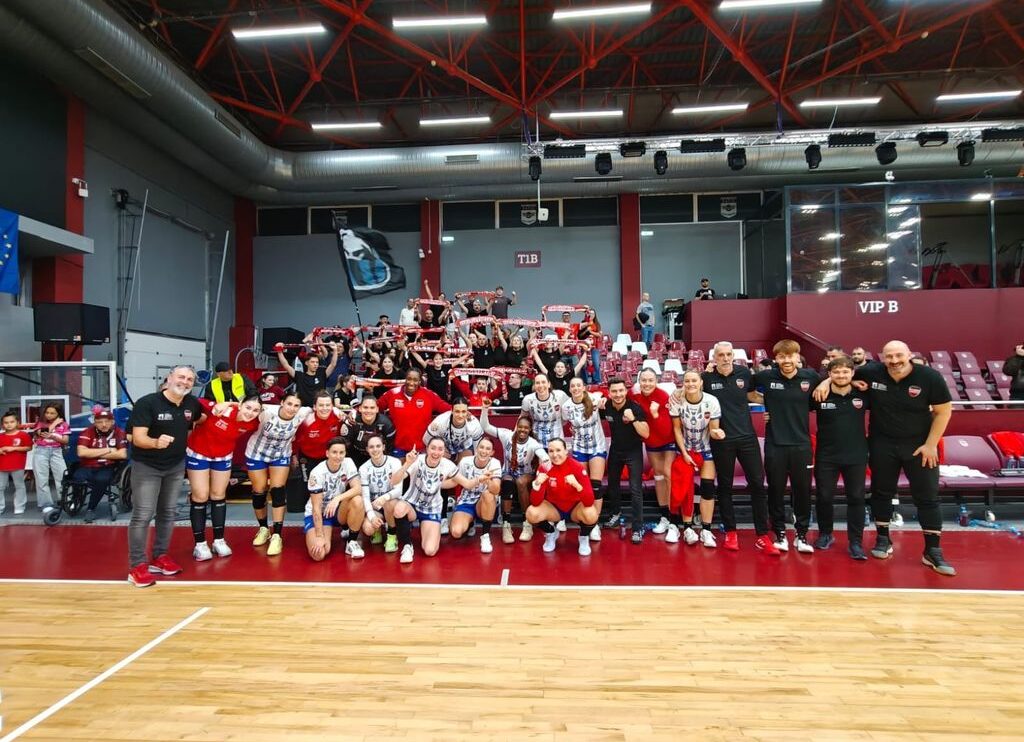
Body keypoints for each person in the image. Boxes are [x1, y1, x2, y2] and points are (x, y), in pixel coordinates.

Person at [816, 340, 956, 575]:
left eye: (899, 355)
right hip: (882, 444)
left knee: (928, 497)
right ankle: (883, 539)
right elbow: (842, 373)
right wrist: (826, 381)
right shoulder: (872, 371)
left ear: (909, 354)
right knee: (881, 493)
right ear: (883, 358)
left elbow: (944, 411)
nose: (894, 360)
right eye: (889, 356)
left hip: (919, 446)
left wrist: (931, 444)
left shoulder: (929, 377)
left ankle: (932, 550)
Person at [126, 365, 204, 588]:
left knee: (168, 513)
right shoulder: (147, 403)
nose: (185, 382)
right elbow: (137, 437)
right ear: (169, 378)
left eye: (189, 379)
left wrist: (222, 409)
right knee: (143, 515)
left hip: (175, 466)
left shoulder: (191, 404)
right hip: (147, 466)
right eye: (181, 377)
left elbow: (202, 417)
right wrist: (155, 442)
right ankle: (137, 566)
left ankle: (160, 556)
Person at [702, 341, 774, 553]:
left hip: (747, 438)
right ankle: (731, 532)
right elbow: (690, 392)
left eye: (728, 354)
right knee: (725, 487)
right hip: (721, 440)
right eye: (721, 355)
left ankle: (762, 535)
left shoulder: (744, 373)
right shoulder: (707, 378)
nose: (725, 358)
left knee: (758, 485)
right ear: (714, 357)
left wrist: (775, 404)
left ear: (733, 355)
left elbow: (752, 395)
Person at [752, 340, 820, 554]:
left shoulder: (811, 377)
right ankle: (780, 533)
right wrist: (764, 404)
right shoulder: (766, 376)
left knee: (803, 491)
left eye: (790, 356)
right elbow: (743, 388)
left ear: (798, 357)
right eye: (782, 356)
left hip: (801, 445)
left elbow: (828, 384)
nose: (786, 360)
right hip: (775, 445)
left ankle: (802, 534)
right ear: (776, 359)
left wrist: (826, 383)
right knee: (775, 491)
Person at [185, 396, 262, 560]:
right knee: (200, 496)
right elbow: (196, 400)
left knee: (219, 495)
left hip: (223, 457)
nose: (250, 413)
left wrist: (233, 403)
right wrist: (228, 404)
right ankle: (200, 544)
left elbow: (272, 408)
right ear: (240, 405)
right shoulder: (222, 410)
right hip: (199, 453)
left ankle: (219, 541)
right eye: (248, 407)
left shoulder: (253, 423)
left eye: (256, 410)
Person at [812, 356, 870, 559]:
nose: (841, 375)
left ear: (853, 373)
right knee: (824, 496)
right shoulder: (819, 394)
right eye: (836, 372)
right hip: (827, 455)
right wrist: (825, 383)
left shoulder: (863, 393)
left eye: (845, 372)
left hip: (856, 455)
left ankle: (856, 542)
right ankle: (825, 534)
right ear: (829, 374)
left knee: (856, 497)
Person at [245, 392, 314, 557]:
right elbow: (244, 408)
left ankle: (277, 535)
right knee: (259, 491)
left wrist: (340, 412)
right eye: (289, 404)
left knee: (278, 490)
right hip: (256, 454)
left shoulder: (303, 413)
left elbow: (322, 408)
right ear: (282, 402)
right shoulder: (267, 411)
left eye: (296, 405)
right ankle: (263, 528)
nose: (292, 408)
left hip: (280, 455)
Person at [389, 438, 479, 564]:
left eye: (440, 449)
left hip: (431, 509)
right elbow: (394, 481)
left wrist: (480, 479)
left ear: (444, 452)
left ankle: (424, 528)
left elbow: (467, 484)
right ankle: (407, 546)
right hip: (411, 504)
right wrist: (407, 464)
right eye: (433, 448)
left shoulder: (448, 465)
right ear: (427, 449)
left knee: (430, 551)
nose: (436, 452)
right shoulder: (417, 460)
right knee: (399, 509)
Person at [480, 400, 549, 544]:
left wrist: (545, 465)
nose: (523, 430)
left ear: (530, 429)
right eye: (520, 427)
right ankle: (506, 524)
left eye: (526, 428)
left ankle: (527, 522)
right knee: (507, 481)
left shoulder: (533, 443)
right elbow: (485, 427)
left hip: (526, 475)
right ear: (516, 426)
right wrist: (485, 409)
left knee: (521, 481)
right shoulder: (507, 435)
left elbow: (544, 457)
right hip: (509, 472)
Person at [669, 371, 724, 548]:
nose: (690, 384)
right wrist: (684, 453)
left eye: (694, 380)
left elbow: (713, 429)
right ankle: (687, 528)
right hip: (686, 449)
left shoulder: (711, 401)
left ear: (701, 383)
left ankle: (706, 530)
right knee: (685, 489)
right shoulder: (677, 400)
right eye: (687, 381)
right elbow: (677, 429)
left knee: (707, 488)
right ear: (683, 383)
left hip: (706, 450)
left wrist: (717, 433)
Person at [526, 438, 599, 555]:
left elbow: (589, 501)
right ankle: (551, 533)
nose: (555, 455)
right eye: (551, 451)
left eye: (558, 450)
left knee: (591, 514)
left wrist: (577, 485)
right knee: (531, 513)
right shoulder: (544, 468)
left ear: (566, 451)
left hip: (575, 509)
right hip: (554, 509)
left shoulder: (577, 467)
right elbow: (535, 502)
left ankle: (583, 537)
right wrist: (537, 484)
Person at [629, 369, 677, 540]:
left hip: (668, 440)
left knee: (668, 474)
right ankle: (665, 517)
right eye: (644, 380)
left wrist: (655, 414)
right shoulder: (634, 395)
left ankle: (674, 519)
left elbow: (666, 430)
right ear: (639, 381)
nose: (647, 384)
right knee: (658, 476)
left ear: (656, 381)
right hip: (651, 442)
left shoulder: (663, 396)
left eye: (650, 380)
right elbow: (618, 396)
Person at [600, 378, 650, 543]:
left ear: (626, 391)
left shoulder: (635, 408)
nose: (618, 394)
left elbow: (646, 433)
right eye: (614, 391)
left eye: (621, 390)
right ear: (609, 393)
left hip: (633, 452)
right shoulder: (607, 405)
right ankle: (615, 514)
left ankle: (637, 528)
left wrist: (633, 419)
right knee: (612, 485)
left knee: (635, 490)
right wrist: (597, 401)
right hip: (615, 450)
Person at [305, 437, 365, 561]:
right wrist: (319, 535)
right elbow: (316, 508)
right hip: (320, 514)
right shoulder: (317, 473)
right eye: (334, 452)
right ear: (327, 453)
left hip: (336, 510)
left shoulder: (348, 463)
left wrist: (337, 499)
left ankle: (351, 542)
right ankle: (327, 532)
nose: (338, 456)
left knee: (358, 500)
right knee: (320, 554)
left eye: (341, 452)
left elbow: (358, 488)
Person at [562, 377, 606, 542]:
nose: (575, 388)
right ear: (570, 389)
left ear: (584, 387)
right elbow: (566, 423)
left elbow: (603, 395)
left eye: (578, 385)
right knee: (581, 485)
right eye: (572, 386)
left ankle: (594, 523)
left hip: (597, 446)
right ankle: (583, 520)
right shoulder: (566, 406)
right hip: (579, 448)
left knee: (595, 486)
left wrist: (603, 400)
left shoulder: (593, 398)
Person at [378, 369, 451, 457]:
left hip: (422, 448)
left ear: (420, 381)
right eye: (409, 379)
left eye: (415, 380)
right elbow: (375, 407)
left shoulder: (429, 395)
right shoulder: (392, 393)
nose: (411, 383)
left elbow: (448, 409)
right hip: (398, 447)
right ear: (405, 379)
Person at [449, 438, 503, 553]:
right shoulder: (465, 462)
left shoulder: (495, 463)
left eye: (488, 449)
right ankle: (470, 523)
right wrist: (439, 482)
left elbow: (496, 490)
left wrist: (487, 480)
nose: (484, 451)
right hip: (467, 500)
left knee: (488, 494)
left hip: (484, 502)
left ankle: (485, 536)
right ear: (476, 449)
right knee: (456, 532)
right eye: (481, 447)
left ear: (492, 452)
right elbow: (455, 481)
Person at [75, 408, 129, 523]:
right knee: (76, 478)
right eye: (99, 422)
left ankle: (91, 508)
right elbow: (81, 452)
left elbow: (122, 454)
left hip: (107, 466)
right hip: (87, 465)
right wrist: (108, 450)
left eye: (107, 421)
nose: (104, 424)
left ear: (112, 422)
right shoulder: (87, 432)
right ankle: (76, 501)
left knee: (101, 480)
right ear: (94, 423)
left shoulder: (119, 432)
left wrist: (92, 453)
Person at [358, 434, 404, 553]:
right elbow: (365, 497)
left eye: (378, 446)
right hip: (376, 508)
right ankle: (377, 529)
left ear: (383, 447)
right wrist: (372, 517)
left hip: (392, 504)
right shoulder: (363, 468)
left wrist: (384, 498)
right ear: (367, 449)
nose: (375, 449)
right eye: (371, 447)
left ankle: (392, 535)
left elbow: (398, 490)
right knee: (368, 529)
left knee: (389, 502)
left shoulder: (395, 462)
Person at [294, 391, 345, 482]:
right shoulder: (306, 422)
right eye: (321, 405)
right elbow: (295, 439)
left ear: (332, 406)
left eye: (328, 405)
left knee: (327, 483)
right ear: (314, 407)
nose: (324, 408)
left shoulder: (339, 418)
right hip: (307, 458)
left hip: (328, 458)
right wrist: (294, 455)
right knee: (309, 484)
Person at [31, 402, 70, 514]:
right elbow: (42, 433)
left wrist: (53, 436)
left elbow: (65, 440)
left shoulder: (64, 424)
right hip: (41, 451)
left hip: (56, 451)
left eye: (52, 413)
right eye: (47, 412)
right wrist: (54, 424)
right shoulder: (40, 423)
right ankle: (46, 504)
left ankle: (65, 500)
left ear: (58, 414)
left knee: (62, 477)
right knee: (41, 479)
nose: (49, 415)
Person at [276, 341, 340, 406]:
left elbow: (333, 364)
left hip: (318, 408)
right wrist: (279, 351)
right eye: (312, 362)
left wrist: (335, 350)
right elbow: (285, 365)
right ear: (306, 363)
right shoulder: (299, 376)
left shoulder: (322, 375)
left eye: (317, 362)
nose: (315, 364)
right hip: (302, 408)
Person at [341, 395, 397, 467]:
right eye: (365, 407)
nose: (368, 411)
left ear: (377, 409)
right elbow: (345, 445)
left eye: (372, 408)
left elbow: (390, 446)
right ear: (360, 408)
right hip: (356, 456)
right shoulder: (351, 421)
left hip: (378, 457)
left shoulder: (386, 423)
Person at [520, 374, 570, 447]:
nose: (540, 385)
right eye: (537, 383)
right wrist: (515, 435)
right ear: (534, 386)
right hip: (537, 444)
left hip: (557, 443)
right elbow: (522, 418)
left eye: (543, 382)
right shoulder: (528, 399)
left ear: (549, 384)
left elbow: (572, 406)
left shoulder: (560, 395)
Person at [0, 411, 33, 515]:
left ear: (17, 422)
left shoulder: (23, 435)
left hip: (18, 465)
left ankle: (19, 506)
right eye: (6, 422)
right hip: (1, 466)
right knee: (0, 487)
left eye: (12, 422)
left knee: (19, 485)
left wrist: (13, 448)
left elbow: (29, 447)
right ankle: (0, 507)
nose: (9, 424)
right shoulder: (0, 436)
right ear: (2, 424)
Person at [576, 308, 602, 384]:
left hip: (594, 348)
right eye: (590, 313)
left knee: (596, 364)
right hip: (584, 347)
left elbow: (599, 335)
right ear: (587, 315)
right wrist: (586, 331)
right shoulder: (583, 323)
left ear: (595, 315)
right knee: (583, 365)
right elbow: (580, 336)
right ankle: (584, 381)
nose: (591, 315)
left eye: (593, 313)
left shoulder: (597, 324)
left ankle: (596, 381)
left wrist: (590, 331)